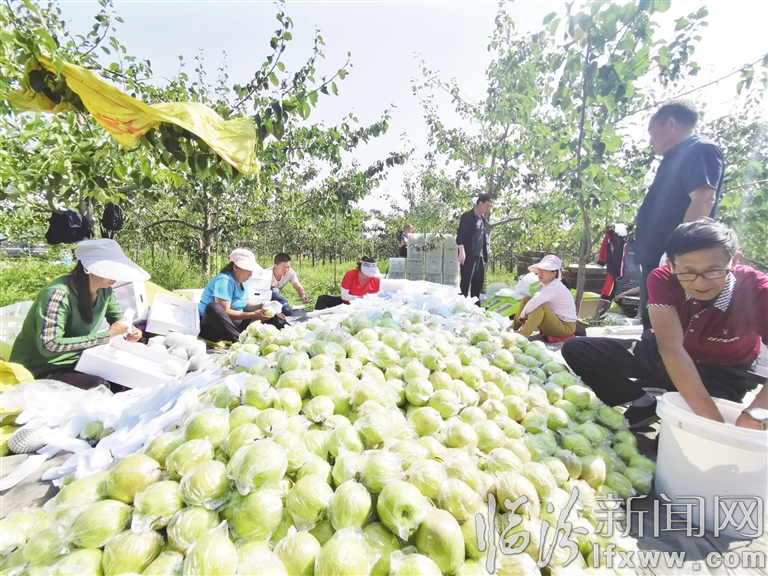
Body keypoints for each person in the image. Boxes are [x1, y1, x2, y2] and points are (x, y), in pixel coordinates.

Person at [562, 220, 768, 430]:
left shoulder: (758, 290)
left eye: (714, 270)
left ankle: (679, 401)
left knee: (682, 439)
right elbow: (670, 347)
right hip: (665, 355)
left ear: (733, 261)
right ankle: (644, 404)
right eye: (687, 271)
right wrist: (712, 422)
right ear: (671, 265)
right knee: (577, 349)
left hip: (723, 372)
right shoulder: (662, 279)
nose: (700, 283)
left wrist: (756, 413)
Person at [10, 239, 148, 391]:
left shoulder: (104, 290)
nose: (114, 277)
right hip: (42, 367)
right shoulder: (58, 295)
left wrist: (131, 329)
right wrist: (107, 335)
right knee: (99, 386)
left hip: (80, 359)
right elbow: (50, 345)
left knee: (126, 379)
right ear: (90, 268)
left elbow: (116, 317)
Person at [634, 100, 724, 330]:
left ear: (671, 124)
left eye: (651, 132)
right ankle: (654, 362)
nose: (650, 140)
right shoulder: (676, 157)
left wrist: (679, 252)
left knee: (673, 322)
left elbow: (704, 199)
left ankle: (672, 364)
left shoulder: (698, 149)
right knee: (655, 320)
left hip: (675, 260)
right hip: (659, 258)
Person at [198, 249, 284, 342]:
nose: (250, 274)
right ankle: (239, 340)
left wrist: (263, 307)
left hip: (233, 323)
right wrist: (252, 315)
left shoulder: (242, 282)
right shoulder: (224, 280)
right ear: (235, 267)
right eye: (248, 270)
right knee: (213, 307)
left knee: (274, 319)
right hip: (214, 327)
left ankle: (288, 336)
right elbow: (224, 312)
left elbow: (245, 305)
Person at [512, 255, 577, 339]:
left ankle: (522, 337)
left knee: (539, 306)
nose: (540, 273)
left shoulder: (555, 286)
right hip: (555, 321)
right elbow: (533, 300)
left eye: (545, 270)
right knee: (527, 299)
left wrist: (522, 315)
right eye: (539, 270)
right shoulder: (546, 285)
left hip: (565, 327)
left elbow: (535, 302)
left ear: (554, 273)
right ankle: (514, 327)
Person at [457, 194, 491, 300]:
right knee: (466, 282)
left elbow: (483, 239)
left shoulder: (482, 220)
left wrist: (485, 256)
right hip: (469, 255)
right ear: (480, 203)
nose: (488, 209)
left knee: (478, 282)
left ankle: (475, 305)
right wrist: (462, 252)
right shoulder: (467, 217)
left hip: (479, 256)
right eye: (487, 205)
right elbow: (460, 236)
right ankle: (462, 303)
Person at [315, 258, 381, 310]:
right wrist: (360, 298)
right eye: (366, 274)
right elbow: (344, 296)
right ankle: (314, 321)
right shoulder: (350, 275)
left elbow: (377, 298)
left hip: (363, 307)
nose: (368, 277)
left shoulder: (376, 279)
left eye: (370, 275)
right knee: (322, 298)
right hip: (345, 304)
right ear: (360, 270)